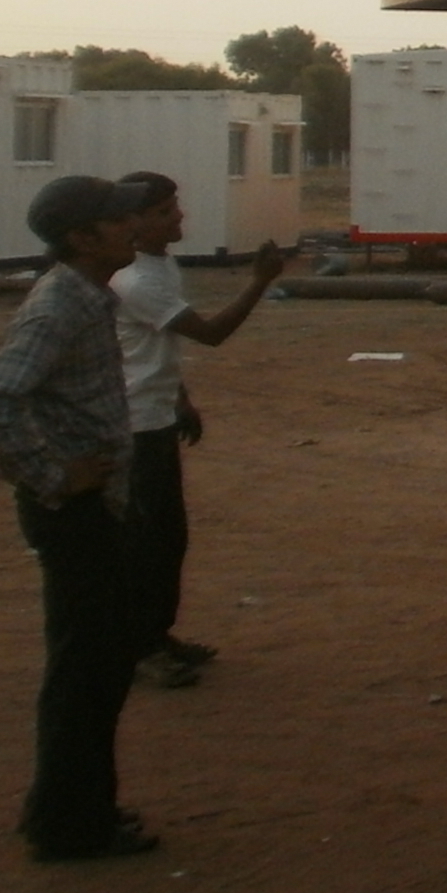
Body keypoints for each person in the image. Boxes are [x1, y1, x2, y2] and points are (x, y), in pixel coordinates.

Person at [0, 175, 158, 863]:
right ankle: (71, 826)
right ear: (80, 237)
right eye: (117, 219)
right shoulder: (59, 307)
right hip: (75, 516)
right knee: (84, 670)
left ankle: (78, 812)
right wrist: (55, 476)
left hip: (94, 509)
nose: (132, 226)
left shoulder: (87, 297)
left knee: (98, 667)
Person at [108, 175, 286, 690]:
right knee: (147, 541)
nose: (179, 218)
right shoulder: (136, 281)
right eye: (165, 212)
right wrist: (259, 282)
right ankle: (139, 646)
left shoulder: (157, 266)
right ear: (134, 225)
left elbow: (155, 346)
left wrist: (180, 397)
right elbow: (209, 334)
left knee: (166, 538)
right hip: (137, 426)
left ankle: (155, 635)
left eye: (175, 207)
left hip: (156, 416)